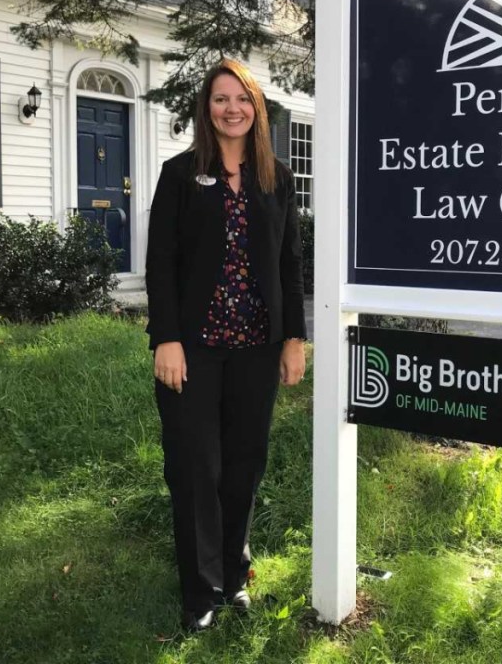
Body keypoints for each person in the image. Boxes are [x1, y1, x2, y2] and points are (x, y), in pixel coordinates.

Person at [145, 58, 307, 632]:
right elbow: (160, 265)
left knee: (242, 467)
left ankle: (232, 577)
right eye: (220, 99)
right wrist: (165, 338)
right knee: (194, 467)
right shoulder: (179, 175)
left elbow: (290, 265)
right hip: (193, 348)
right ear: (205, 108)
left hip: (256, 349)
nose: (231, 108)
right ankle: (200, 593)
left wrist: (294, 339)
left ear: (256, 107)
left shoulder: (277, 179)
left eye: (242, 98)